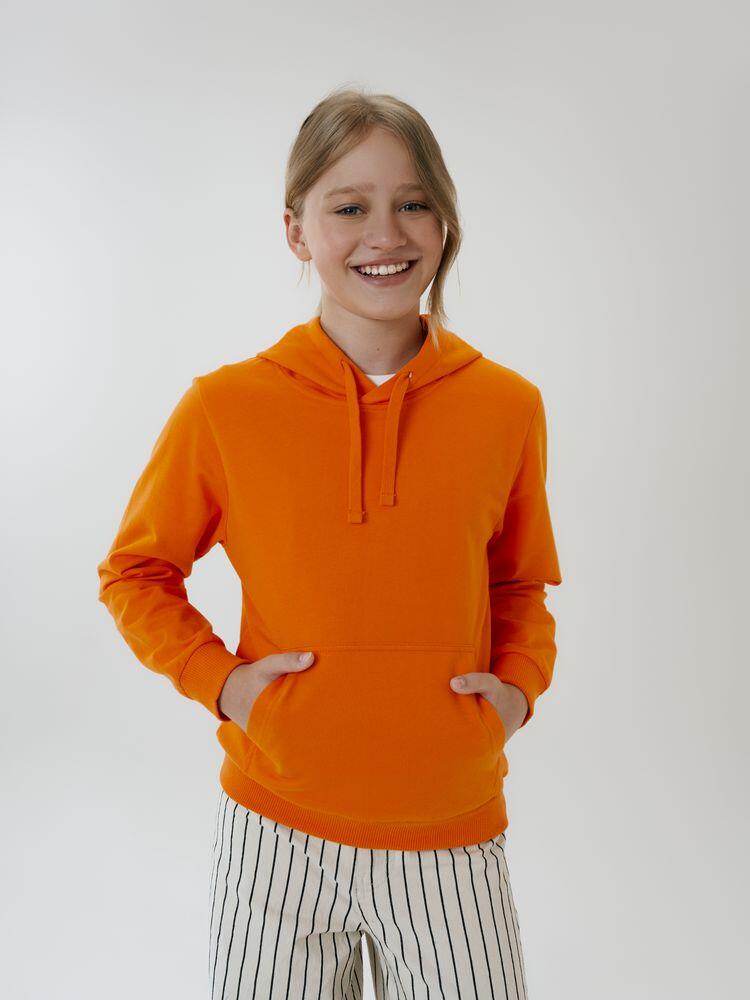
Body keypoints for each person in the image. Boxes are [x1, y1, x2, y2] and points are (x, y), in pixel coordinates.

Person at [97, 86, 563, 999]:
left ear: (445, 221)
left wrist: (515, 694)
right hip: (273, 837)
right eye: (348, 207)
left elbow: (520, 586)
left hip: (452, 834)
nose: (384, 233)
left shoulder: (507, 406)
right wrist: (224, 684)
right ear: (296, 231)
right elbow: (136, 573)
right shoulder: (226, 407)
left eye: (413, 202)